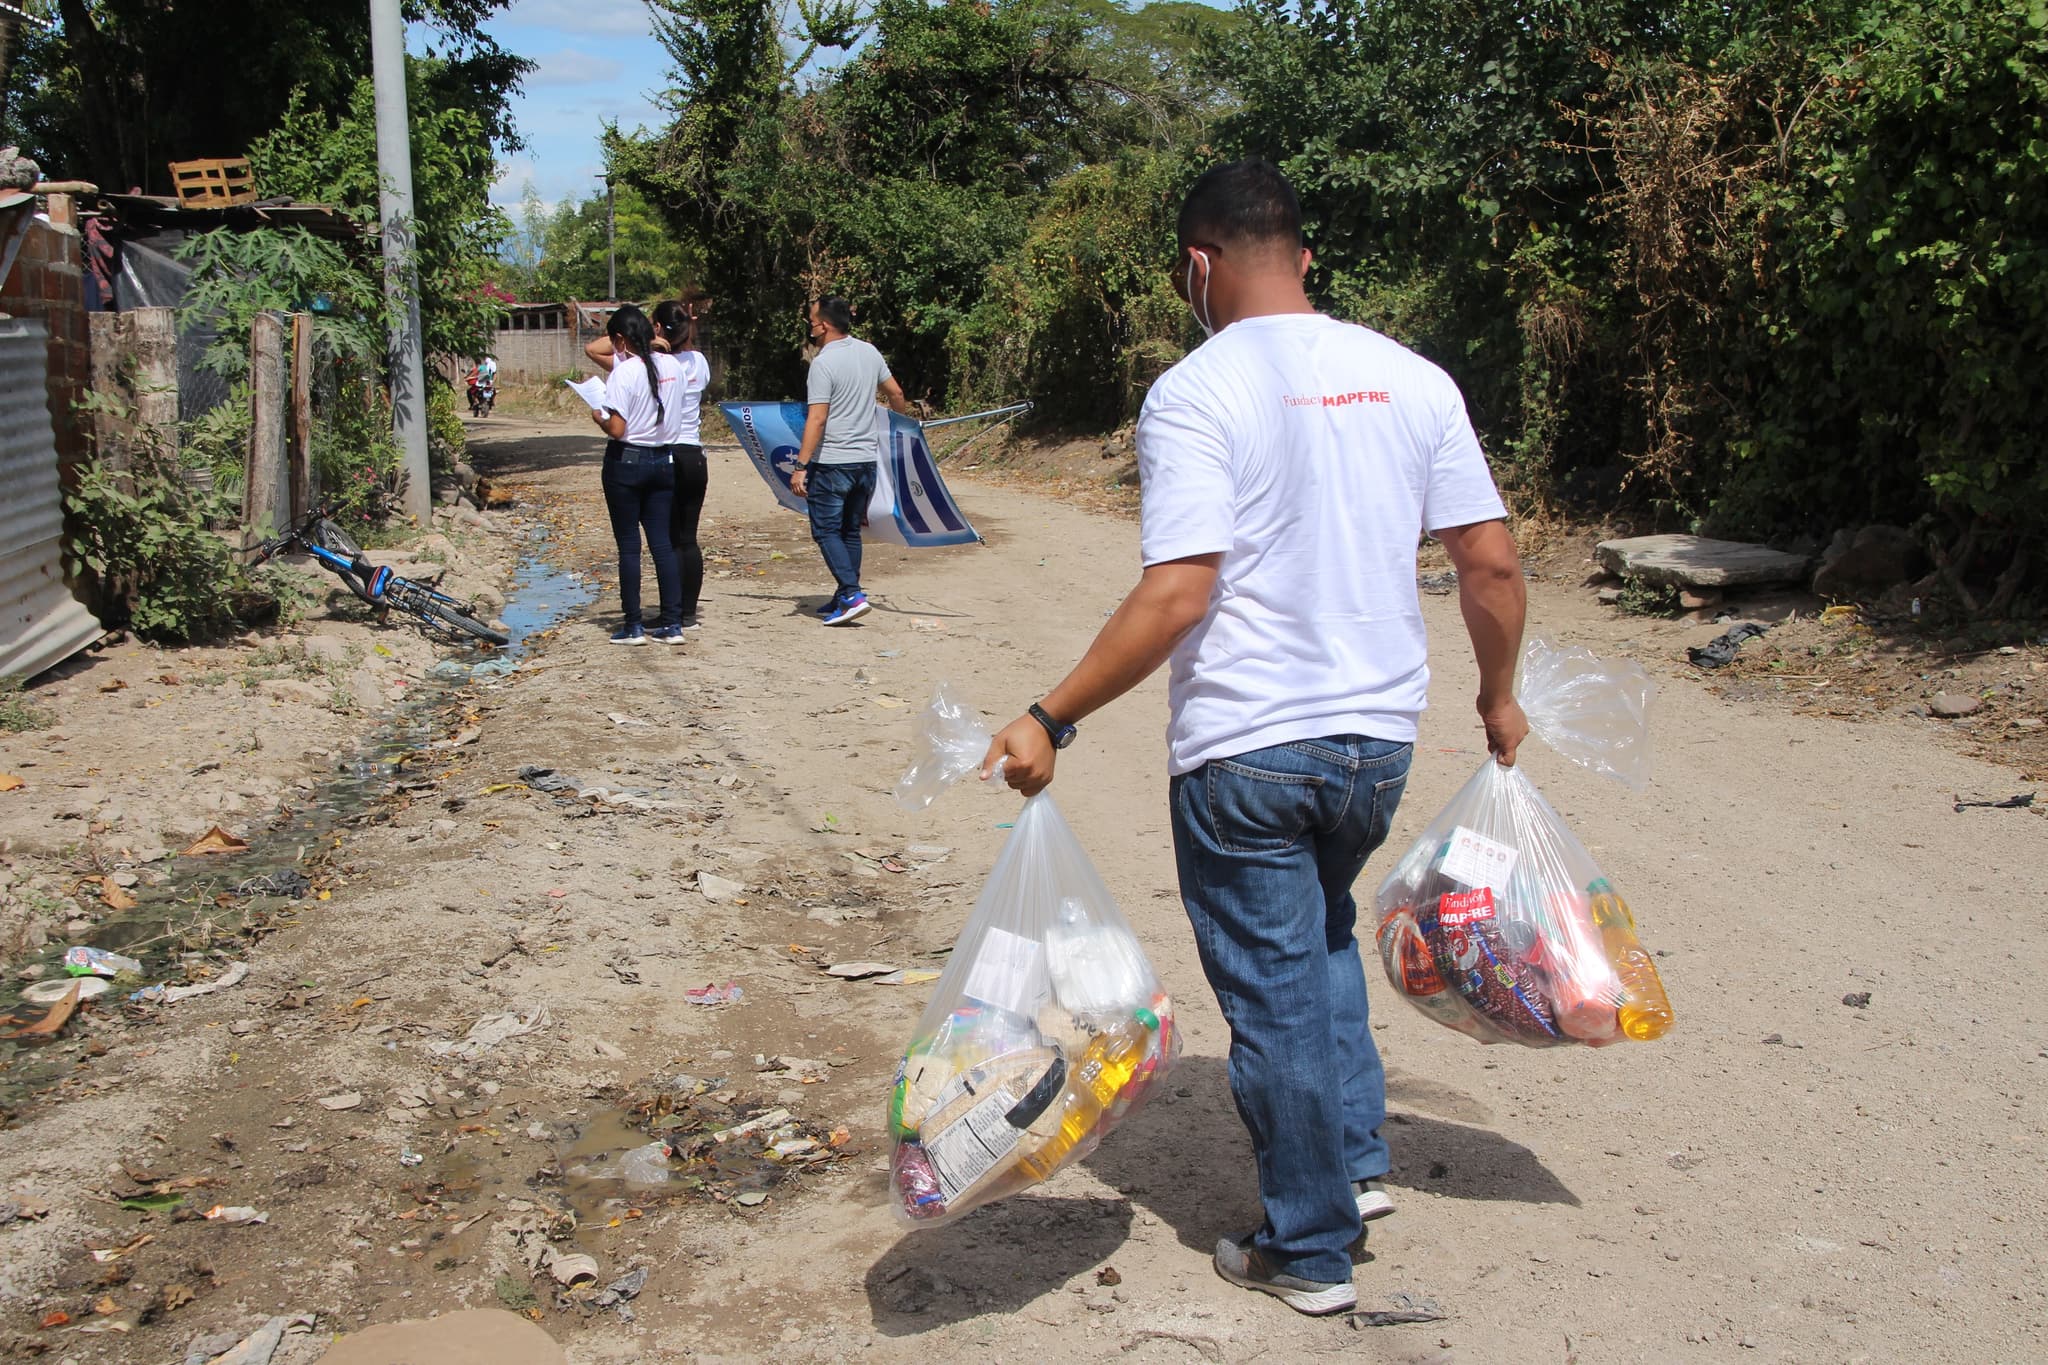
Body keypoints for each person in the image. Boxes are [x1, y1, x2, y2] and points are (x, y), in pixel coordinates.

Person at [977, 160, 1531, 1317]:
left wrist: (1049, 716)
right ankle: (1356, 1163)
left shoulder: (1192, 392)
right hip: (1373, 743)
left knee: (1274, 990)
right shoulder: (1412, 379)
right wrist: (1497, 696)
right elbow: (1488, 559)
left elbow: (1179, 591)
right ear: (1303, 254)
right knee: (1320, 941)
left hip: (1247, 748)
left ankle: (1310, 1243)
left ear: (1197, 263)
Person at [788, 295, 911, 626]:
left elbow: (817, 420)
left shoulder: (823, 364)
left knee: (826, 530)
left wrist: (800, 467)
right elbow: (896, 394)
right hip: (865, 461)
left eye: (811, 321)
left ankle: (853, 594)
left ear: (823, 326)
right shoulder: (869, 352)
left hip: (833, 462)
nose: (810, 327)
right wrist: (895, 429)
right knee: (849, 531)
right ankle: (844, 596)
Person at [589, 304, 685, 646]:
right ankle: (673, 623)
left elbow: (617, 428)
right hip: (663, 459)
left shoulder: (624, 372)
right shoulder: (673, 366)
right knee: (662, 543)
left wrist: (598, 417)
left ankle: (633, 625)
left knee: (629, 546)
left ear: (619, 339)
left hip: (627, 461)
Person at [651, 300, 713, 629]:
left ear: (658, 329)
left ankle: (670, 611)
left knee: (668, 539)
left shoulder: (657, 365)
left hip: (668, 452)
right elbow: (687, 345)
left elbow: (599, 348)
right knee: (688, 537)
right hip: (695, 456)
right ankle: (688, 611)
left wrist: (649, 344)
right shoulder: (700, 362)